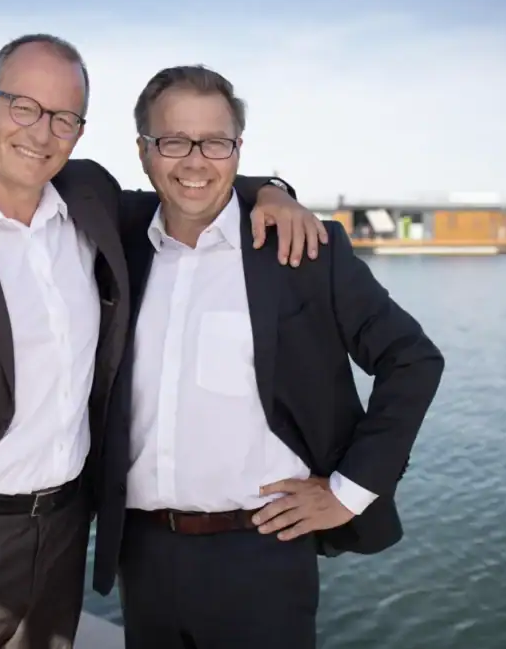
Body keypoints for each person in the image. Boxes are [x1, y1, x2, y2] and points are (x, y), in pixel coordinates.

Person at [0, 34, 325, 649]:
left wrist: (272, 191)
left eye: (64, 118)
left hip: (63, 539)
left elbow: (192, 181)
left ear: (79, 132)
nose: (41, 132)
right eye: (23, 107)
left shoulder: (90, 203)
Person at [92, 64, 446, 649]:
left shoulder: (300, 249)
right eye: (174, 141)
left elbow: (412, 359)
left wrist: (348, 491)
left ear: (238, 149)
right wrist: (268, 186)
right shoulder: (120, 238)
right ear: (144, 150)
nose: (195, 161)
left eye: (216, 142)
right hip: (143, 553)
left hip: (261, 552)